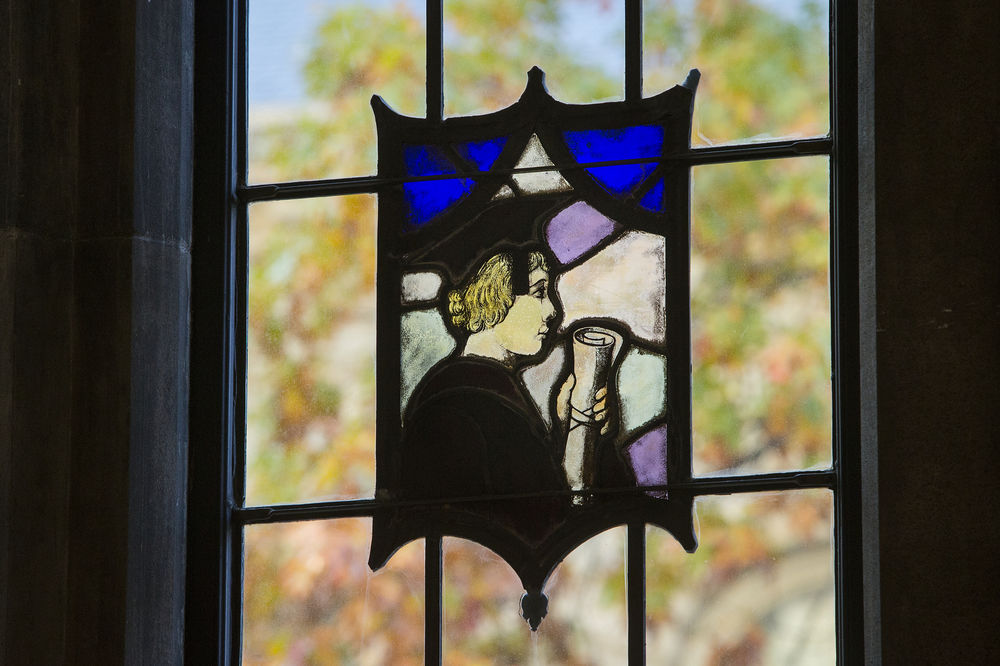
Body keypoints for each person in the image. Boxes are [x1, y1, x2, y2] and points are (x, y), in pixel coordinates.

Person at [396, 245, 612, 541]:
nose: (552, 311)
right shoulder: (461, 405)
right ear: (494, 294)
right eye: (538, 293)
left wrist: (570, 425)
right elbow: (543, 523)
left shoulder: (483, 394)